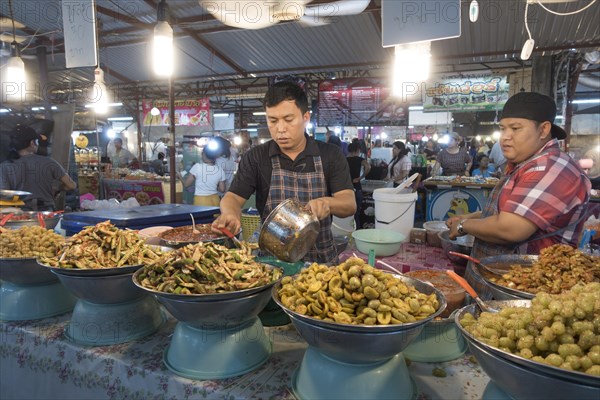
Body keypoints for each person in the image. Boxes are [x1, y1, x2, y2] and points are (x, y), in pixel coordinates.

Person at [445, 92, 591, 299]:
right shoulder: (527, 164)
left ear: (544, 129)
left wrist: (462, 226)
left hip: (527, 293)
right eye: (503, 129)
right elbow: (512, 210)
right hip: (503, 284)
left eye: (515, 128)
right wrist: (471, 217)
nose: (505, 137)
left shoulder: (549, 167)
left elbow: (510, 229)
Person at [211, 81, 356, 263]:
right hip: (272, 263)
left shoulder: (330, 155)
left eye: (288, 120)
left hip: (321, 263)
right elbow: (232, 197)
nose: (280, 129)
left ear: (305, 118)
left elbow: (349, 203)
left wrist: (327, 203)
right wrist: (230, 214)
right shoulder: (256, 157)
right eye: (272, 121)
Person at [0, 125, 76, 211]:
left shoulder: (5, 166)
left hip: (20, 213)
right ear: (32, 143)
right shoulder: (49, 162)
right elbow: (71, 185)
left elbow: (4, 194)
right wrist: (58, 189)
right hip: (46, 212)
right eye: (37, 141)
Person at [346, 141, 371, 229]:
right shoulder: (359, 159)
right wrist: (360, 178)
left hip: (346, 189)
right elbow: (368, 167)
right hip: (357, 188)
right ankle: (357, 233)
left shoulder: (344, 159)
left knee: (347, 215)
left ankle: (349, 231)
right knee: (356, 214)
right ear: (358, 150)